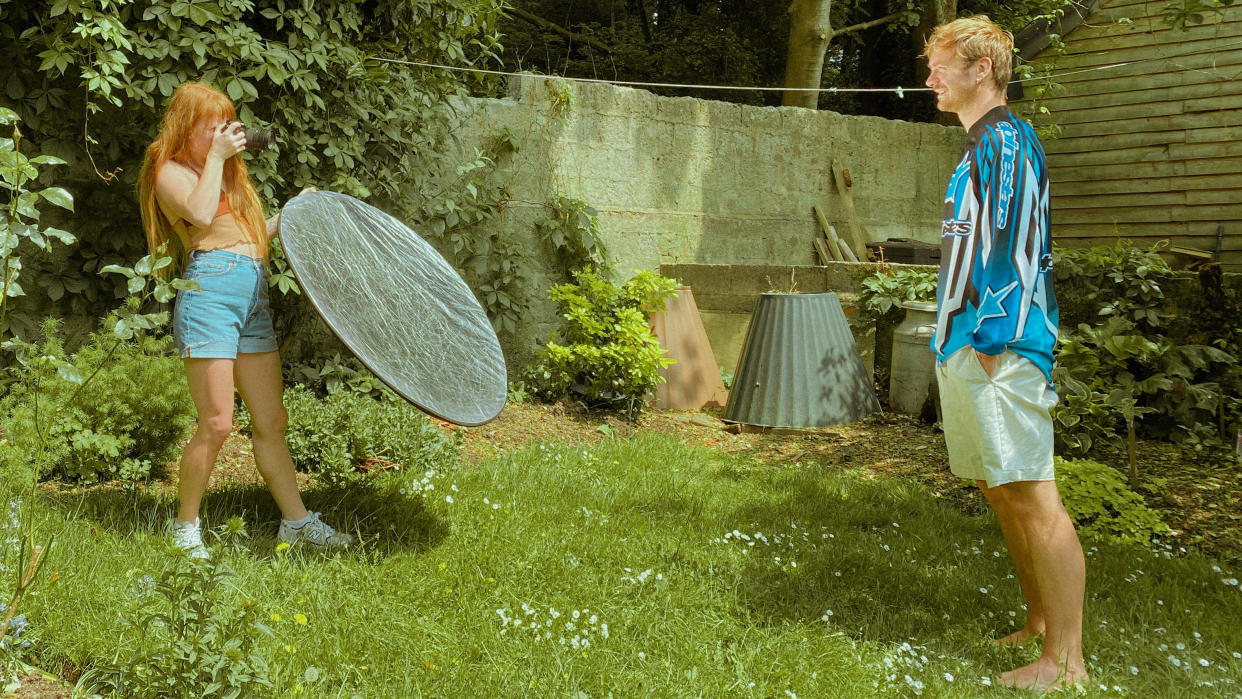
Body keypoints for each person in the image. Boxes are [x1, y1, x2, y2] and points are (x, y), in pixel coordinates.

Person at [923, 17, 1087, 691]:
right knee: (1003, 491)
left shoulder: (1008, 141)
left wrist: (993, 337)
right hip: (968, 344)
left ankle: (1067, 661)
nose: (929, 79)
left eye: (940, 66)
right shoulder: (978, 146)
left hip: (1001, 344)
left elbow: (1016, 249)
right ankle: (1041, 622)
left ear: (980, 68)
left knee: (1033, 493)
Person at [138, 81, 351, 557]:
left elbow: (249, 237)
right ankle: (185, 530)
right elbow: (197, 214)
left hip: (251, 291)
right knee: (216, 423)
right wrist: (216, 158)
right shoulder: (169, 171)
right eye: (211, 128)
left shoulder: (228, 176)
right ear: (186, 129)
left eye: (225, 126)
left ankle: (295, 524)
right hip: (210, 293)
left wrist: (290, 215)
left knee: (272, 419)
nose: (223, 135)